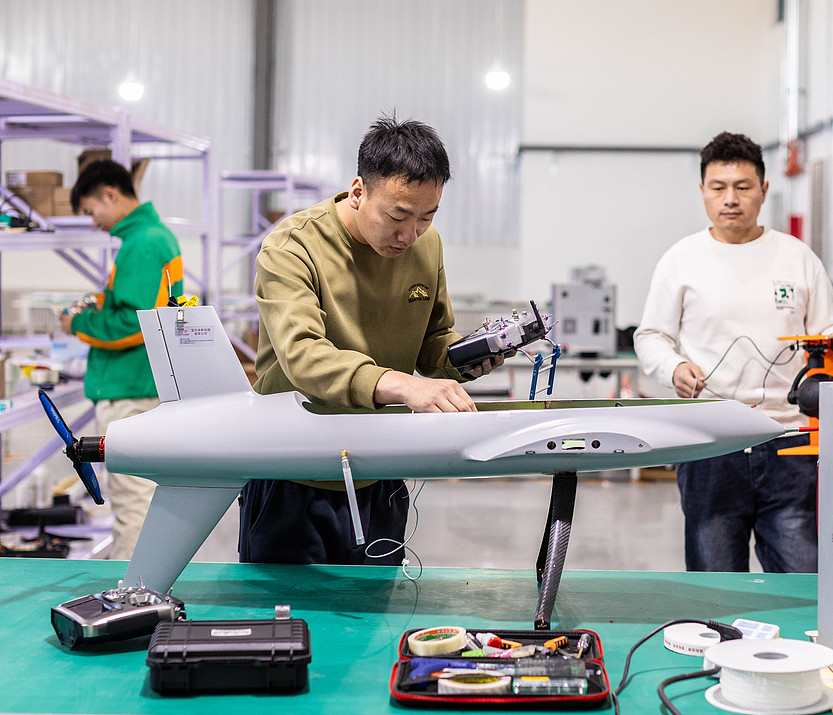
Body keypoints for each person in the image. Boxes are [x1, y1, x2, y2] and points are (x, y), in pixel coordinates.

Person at [239, 115, 504, 566]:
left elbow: (433, 343)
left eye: (426, 217)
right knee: (289, 623)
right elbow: (303, 356)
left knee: (376, 620)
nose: (409, 234)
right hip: (293, 473)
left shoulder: (427, 245)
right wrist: (403, 385)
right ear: (358, 191)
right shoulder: (292, 246)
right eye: (398, 215)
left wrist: (473, 355)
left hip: (380, 469)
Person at [633, 132, 833, 573]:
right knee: (715, 583)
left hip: (789, 443)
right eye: (718, 187)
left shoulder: (798, 258)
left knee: (803, 578)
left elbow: (831, 336)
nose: (731, 199)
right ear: (703, 191)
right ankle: (719, 645)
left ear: (764, 191)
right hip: (711, 442)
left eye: (743, 187)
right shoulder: (681, 259)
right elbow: (650, 336)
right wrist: (675, 368)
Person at [62, 159, 183, 560]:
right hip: (140, 385)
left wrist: (79, 322)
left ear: (110, 194)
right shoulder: (151, 236)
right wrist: (101, 303)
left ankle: (132, 598)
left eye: (90, 210)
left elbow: (135, 322)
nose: (91, 220)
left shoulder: (143, 241)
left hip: (129, 389)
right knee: (139, 498)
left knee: (132, 503)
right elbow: (136, 302)